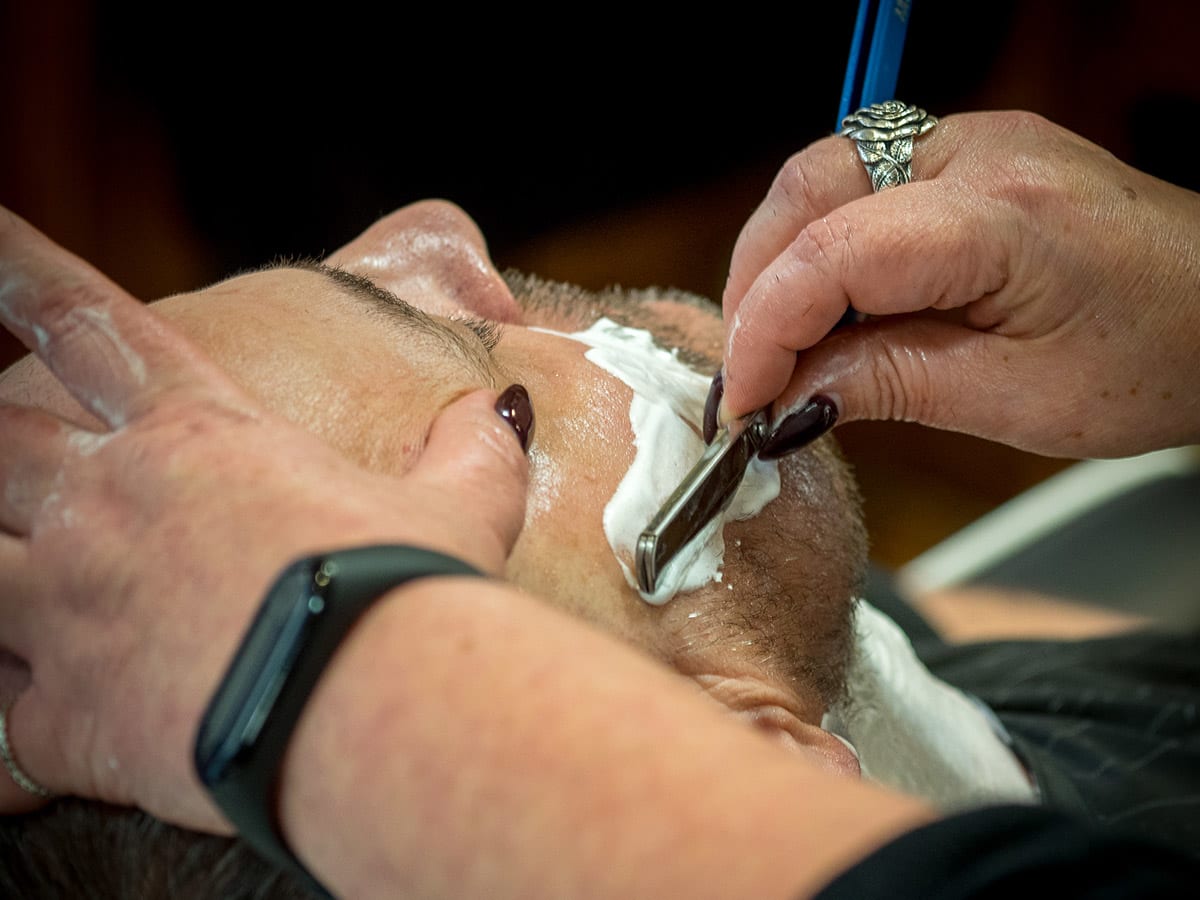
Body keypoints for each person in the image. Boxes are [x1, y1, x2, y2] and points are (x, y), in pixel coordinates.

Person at [1, 106, 1198, 898]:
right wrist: (320, 657)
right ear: (758, 758)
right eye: (491, 392)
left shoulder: (821, 638)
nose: (434, 228)